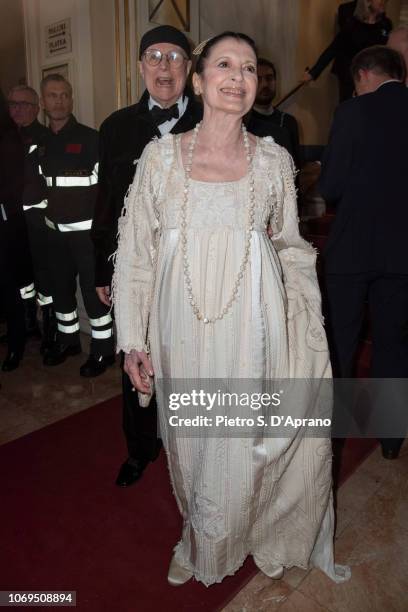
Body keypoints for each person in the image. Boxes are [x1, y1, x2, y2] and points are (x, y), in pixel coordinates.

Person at [113, 31, 350, 587]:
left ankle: (259, 532)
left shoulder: (272, 161)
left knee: (250, 440)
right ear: (199, 80)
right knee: (195, 441)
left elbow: (290, 246)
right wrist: (133, 338)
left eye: (247, 68)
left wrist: (307, 327)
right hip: (180, 325)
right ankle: (203, 540)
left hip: (257, 321)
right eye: (224, 64)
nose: (237, 77)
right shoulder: (160, 158)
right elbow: (135, 255)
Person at [91, 25, 202, 487]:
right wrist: (104, 268)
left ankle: (194, 446)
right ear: (140, 67)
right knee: (137, 357)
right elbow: (106, 203)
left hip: (194, 268)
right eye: (153, 56)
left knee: (193, 359)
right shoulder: (116, 127)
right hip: (135, 268)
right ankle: (140, 449)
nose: (164, 66)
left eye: (174, 57)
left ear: (188, 68)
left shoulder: (209, 120)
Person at [319, 46, 408, 460]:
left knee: (342, 341)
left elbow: (331, 186)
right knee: (393, 342)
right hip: (403, 253)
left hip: (352, 251)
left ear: (364, 74)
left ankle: (336, 435)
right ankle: (391, 440)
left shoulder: (351, 114)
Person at [39, 74, 115, 376]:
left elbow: (107, 191)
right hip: (53, 235)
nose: (59, 100)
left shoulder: (90, 139)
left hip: (87, 238)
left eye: (64, 95)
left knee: (93, 295)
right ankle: (68, 340)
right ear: (44, 102)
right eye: (52, 95)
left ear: (71, 99)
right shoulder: (40, 143)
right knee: (61, 291)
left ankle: (103, 350)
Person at [8, 85, 55, 353]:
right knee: (20, 273)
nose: (17, 109)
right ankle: (28, 323)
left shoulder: (45, 138)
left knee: (44, 275)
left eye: (24, 104)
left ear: (36, 108)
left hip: (38, 220)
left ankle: (48, 326)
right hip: (12, 221)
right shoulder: (6, 138)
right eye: (13, 104)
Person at [302, 0, 392, 101]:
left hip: (374, 77)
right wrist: (313, 73)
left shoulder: (386, 24)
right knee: (349, 108)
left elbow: (387, 54)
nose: (384, 2)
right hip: (350, 76)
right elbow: (335, 47)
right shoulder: (352, 24)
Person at [0, 90, 31, 371]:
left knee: (9, 287)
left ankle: (16, 344)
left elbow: (12, 187)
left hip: (6, 225)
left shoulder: (9, 138)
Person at [248, 58, 301, 171]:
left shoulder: (288, 121)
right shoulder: (244, 121)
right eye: (259, 79)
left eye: (269, 78)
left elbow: (295, 166)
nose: (265, 84)